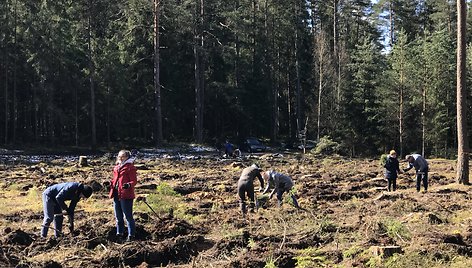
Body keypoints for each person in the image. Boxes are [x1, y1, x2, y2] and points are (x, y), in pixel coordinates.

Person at [109, 150, 137, 241]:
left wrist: (128, 185)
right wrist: (110, 184)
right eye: (119, 156)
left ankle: (131, 235)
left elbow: (134, 181)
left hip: (126, 194)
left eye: (123, 156)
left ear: (127, 157)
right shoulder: (116, 167)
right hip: (116, 193)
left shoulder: (130, 167)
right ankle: (119, 234)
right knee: (118, 216)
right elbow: (115, 180)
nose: (121, 158)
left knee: (128, 216)